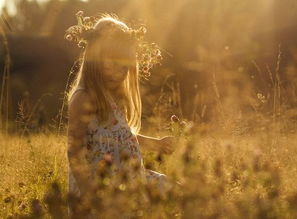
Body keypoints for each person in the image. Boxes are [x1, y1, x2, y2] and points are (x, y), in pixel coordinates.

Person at [65, 11, 176, 217]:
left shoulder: (112, 98)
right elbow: (74, 152)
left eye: (125, 65)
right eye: (112, 62)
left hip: (128, 182)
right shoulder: (83, 98)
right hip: (100, 190)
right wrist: (90, 193)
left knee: (177, 191)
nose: (119, 71)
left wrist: (157, 144)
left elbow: (120, 136)